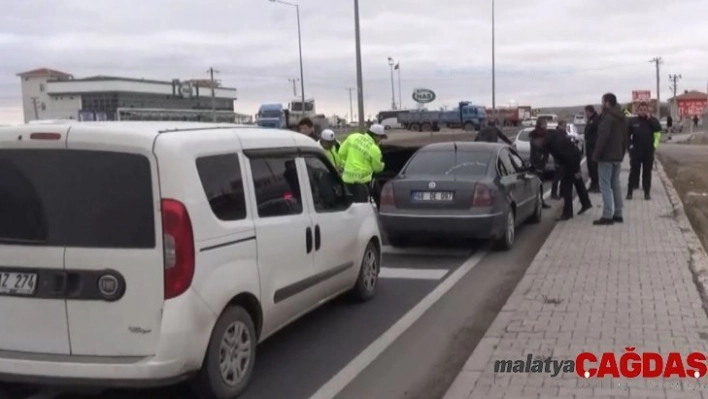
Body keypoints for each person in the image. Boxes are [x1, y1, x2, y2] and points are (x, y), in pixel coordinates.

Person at [531, 123, 592, 220]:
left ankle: (567, 213)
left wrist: (576, 169)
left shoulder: (553, 143)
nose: (535, 144)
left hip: (571, 160)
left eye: (534, 142)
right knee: (577, 181)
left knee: (566, 187)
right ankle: (586, 203)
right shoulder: (550, 137)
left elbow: (566, 156)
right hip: (571, 158)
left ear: (539, 138)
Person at [592, 93, 628, 225]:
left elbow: (603, 137)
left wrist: (596, 155)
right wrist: (622, 153)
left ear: (607, 103)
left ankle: (607, 215)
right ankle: (618, 213)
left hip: (606, 157)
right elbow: (626, 137)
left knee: (605, 185)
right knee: (615, 185)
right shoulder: (621, 117)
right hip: (617, 156)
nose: (601, 104)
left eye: (602, 102)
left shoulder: (607, 118)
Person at [339, 123, 386, 202]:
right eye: (381, 137)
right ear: (375, 135)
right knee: (362, 206)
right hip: (363, 183)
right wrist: (382, 165)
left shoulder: (353, 137)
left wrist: (345, 164)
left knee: (348, 204)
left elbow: (341, 153)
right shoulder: (375, 149)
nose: (381, 140)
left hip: (346, 180)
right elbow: (377, 169)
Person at [626, 102, 661, 200]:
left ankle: (647, 193)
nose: (643, 112)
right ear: (638, 110)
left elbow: (658, 129)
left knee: (647, 173)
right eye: (641, 110)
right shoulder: (633, 121)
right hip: (636, 151)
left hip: (648, 152)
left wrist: (650, 119)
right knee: (633, 172)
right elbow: (627, 135)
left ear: (648, 110)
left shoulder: (652, 120)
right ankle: (630, 192)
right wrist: (629, 147)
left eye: (645, 110)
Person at [528, 119, 552, 209]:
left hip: (541, 160)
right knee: (538, 181)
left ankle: (540, 201)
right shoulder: (535, 134)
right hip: (537, 160)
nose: (546, 125)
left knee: (540, 181)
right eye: (544, 124)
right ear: (540, 124)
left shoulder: (544, 133)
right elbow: (538, 146)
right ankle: (539, 201)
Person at [549, 120, 568, 199]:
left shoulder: (564, 133)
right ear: (559, 125)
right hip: (558, 157)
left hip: (564, 156)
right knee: (557, 176)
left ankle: (562, 192)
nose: (564, 127)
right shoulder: (557, 134)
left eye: (565, 125)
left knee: (563, 175)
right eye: (563, 125)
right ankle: (553, 193)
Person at [583, 105, 601, 192]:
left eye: (586, 112)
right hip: (590, 146)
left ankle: (596, 185)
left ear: (589, 111)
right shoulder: (590, 120)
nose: (585, 114)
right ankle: (593, 184)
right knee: (590, 167)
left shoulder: (596, 120)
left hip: (594, 146)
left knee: (594, 167)